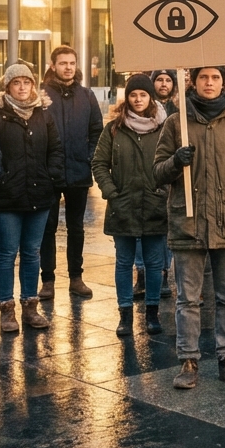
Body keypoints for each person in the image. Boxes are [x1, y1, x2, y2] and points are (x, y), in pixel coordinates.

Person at [154, 65, 225, 390]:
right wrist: (176, 161)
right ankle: (188, 360)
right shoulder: (177, 122)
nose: (210, 83)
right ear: (193, 81)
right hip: (187, 221)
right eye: (204, 77)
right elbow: (157, 173)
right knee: (188, 298)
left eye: (216, 77)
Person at [92, 74, 169, 338]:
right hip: (122, 205)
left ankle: (152, 313)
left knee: (154, 261)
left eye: (143, 95)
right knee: (124, 262)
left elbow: (173, 165)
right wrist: (112, 192)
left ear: (151, 97)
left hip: (155, 203)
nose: (138, 99)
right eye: (133, 94)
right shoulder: (114, 128)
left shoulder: (164, 127)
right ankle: (124, 313)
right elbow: (99, 163)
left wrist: (164, 190)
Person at [0, 64, 62, 334]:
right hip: (6, 197)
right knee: (7, 253)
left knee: (32, 253)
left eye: (26, 82)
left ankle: (30, 306)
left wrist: (51, 176)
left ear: (33, 85)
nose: (22, 87)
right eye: (16, 82)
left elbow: (55, 149)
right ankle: (6, 310)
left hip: (39, 194)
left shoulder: (43, 115)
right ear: (6, 86)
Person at [39, 46, 102, 300]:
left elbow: (98, 131)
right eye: (63, 63)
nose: (68, 67)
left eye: (72, 62)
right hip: (48, 174)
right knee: (47, 228)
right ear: (53, 65)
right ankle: (48, 281)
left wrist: (88, 157)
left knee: (77, 228)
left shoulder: (86, 96)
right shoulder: (42, 95)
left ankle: (76, 278)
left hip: (78, 171)